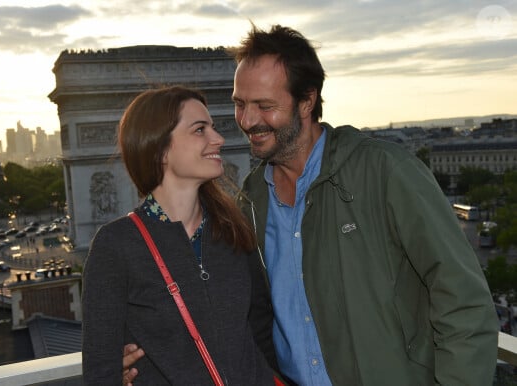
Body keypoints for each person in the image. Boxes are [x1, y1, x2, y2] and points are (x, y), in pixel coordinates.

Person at [123, 25, 499, 385]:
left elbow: (464, 302)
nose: (247, 120)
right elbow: (234, 315)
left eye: (264, 105)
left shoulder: (387, 173)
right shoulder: (250, 202)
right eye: (240, 104)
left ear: (307, 101)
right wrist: (144, 355)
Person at [83, 85, 278, 385]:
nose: (219, 138)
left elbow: (261, 335)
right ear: (160, 149)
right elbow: (101, 373)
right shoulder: (116, 246)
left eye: (212, 127)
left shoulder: (234, 229)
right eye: (200, 130)